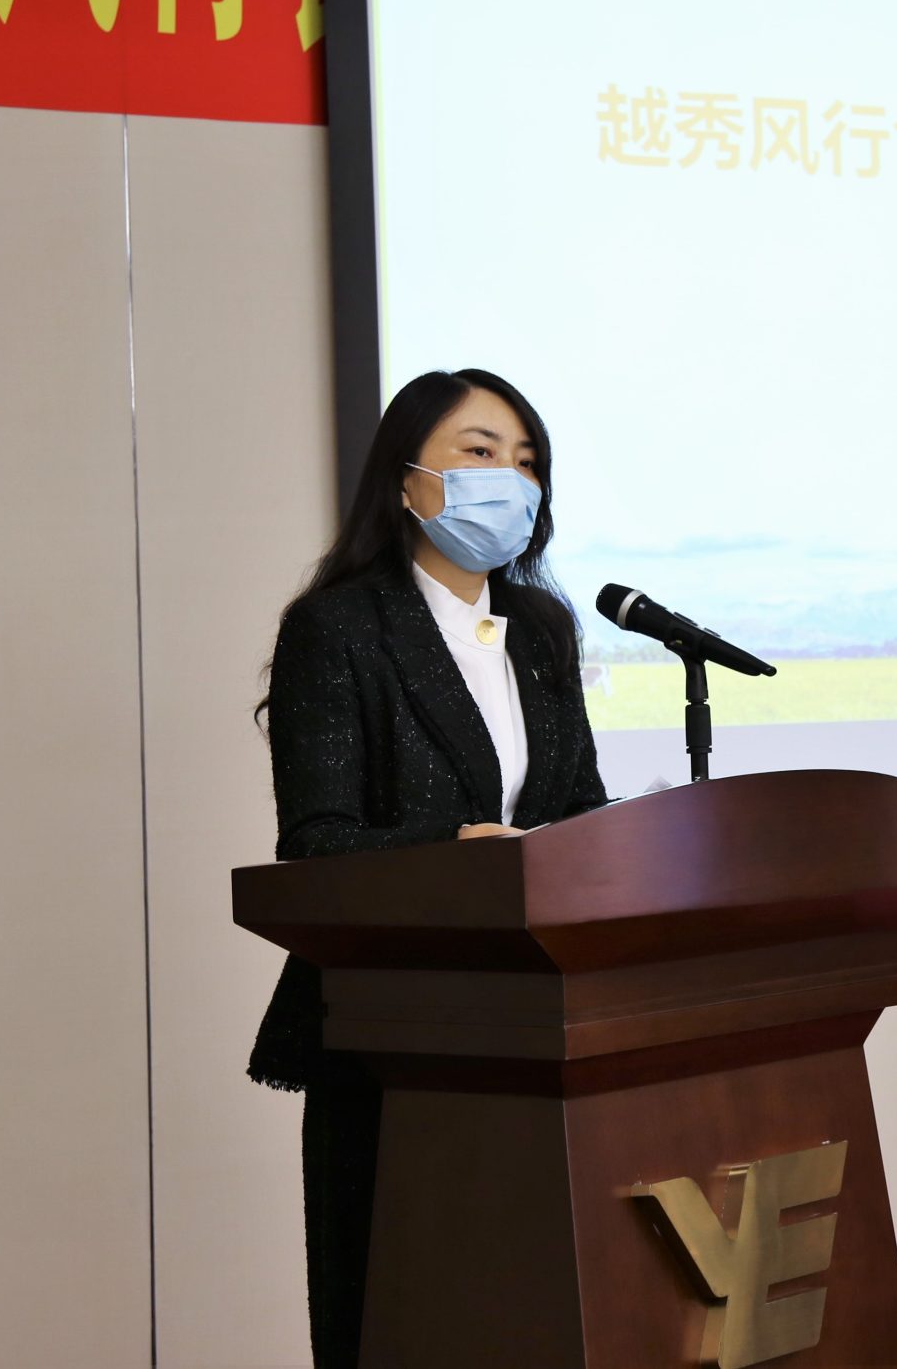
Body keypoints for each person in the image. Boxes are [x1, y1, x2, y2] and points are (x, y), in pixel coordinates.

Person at [246, 368, 610, 1369]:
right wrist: (454, 854)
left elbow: (579, 809)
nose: (511, 480)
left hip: (543, 1022)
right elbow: (316, 844)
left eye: (526, 462)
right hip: (395, 1034)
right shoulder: (339, 628)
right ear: (407, 479)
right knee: (401, 1319)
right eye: (480, 452)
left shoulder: (543, 631)